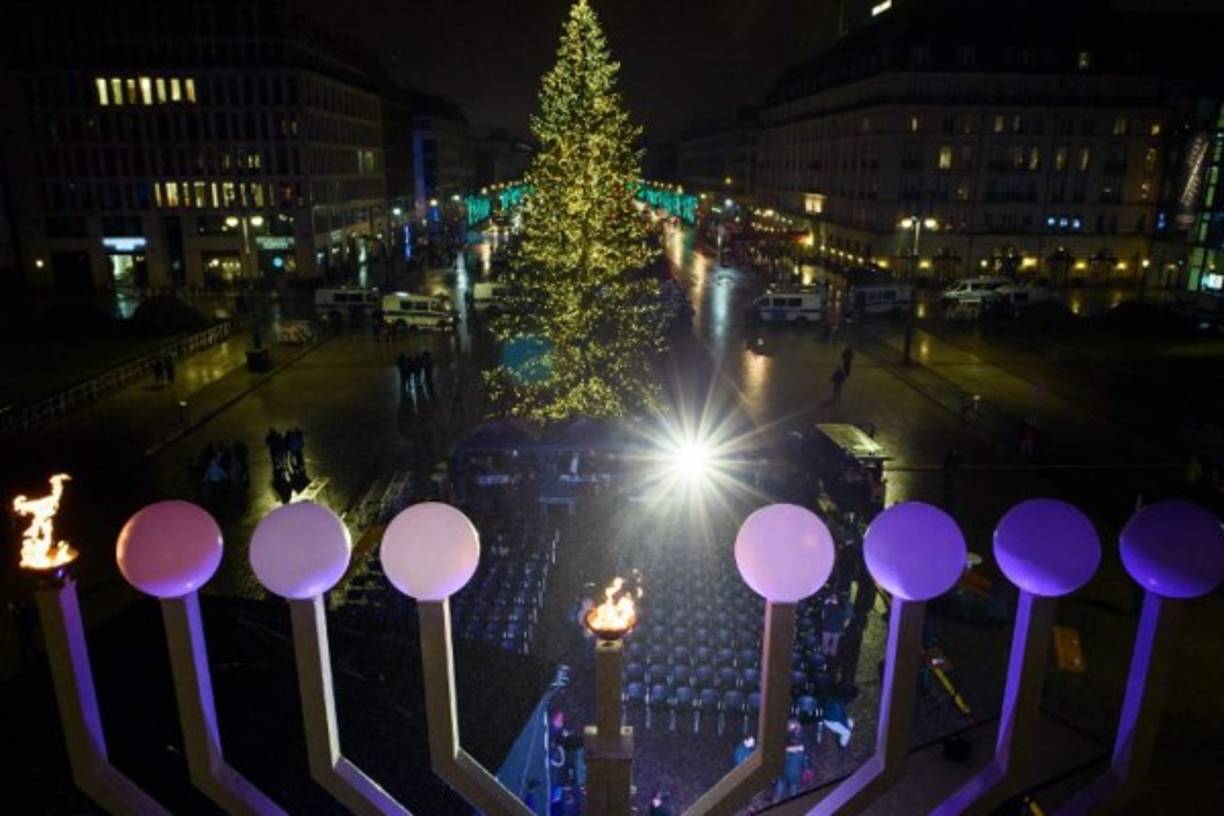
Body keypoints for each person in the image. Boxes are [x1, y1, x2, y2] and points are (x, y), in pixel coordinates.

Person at [773, 721, 807, 801]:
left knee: (780, 787)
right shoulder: (800, 753)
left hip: (783, 772)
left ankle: (775, 802)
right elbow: (804, 763)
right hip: (794, 774)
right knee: (793, 789)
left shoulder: (784, 751)